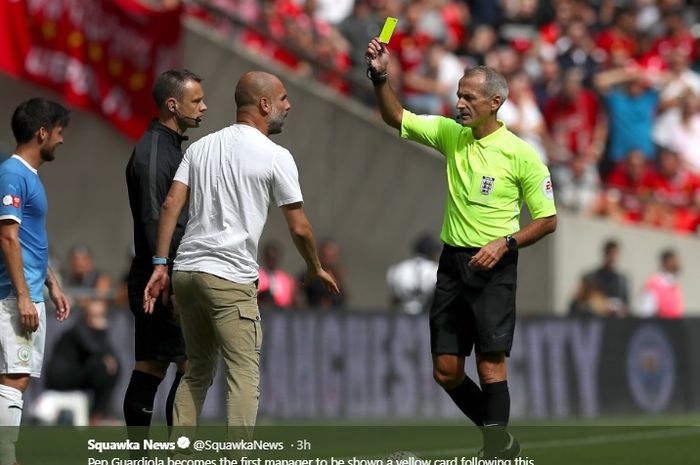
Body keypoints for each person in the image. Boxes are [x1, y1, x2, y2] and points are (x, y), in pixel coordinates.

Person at [365, 39, 557, 459]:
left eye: (469, 97)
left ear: (496, 102)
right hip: (453, 263)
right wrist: (381, 75)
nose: (460, 103)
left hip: (495, 265)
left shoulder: (522, 156)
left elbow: (548, 220)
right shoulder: (453, 135)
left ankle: (494, 452)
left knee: (490, 365)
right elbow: (394, 115)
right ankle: (501, 441)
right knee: (446, 370)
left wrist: (506, 242)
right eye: (458, 95)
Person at [144, 71, 339, 447]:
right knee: (244, 373)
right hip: (229, 277)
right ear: (264, 105)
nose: (288, 106)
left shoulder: (200, 147)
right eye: (283, 98)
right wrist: (315, 266)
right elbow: (299, 227)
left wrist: (159, 263)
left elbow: (170, 204)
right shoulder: (275, 155)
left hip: (186, 271)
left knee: (197, 371)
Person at [123, 69, 207, 436]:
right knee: (189, 365)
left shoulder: (170, 147)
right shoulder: (155, 153)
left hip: (161, 274)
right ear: (173, 105)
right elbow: (154, 220)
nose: (204, 107)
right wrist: (168, 274)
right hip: (162, 278)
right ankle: (175, 451)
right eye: (197, 101)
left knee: (154, 367)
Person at [0, 98, 72, 465]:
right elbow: (8, 237)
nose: (61, 140)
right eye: (60, 132)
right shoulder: (12, 174)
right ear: (42, 132)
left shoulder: (29, 177)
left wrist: (52, 283)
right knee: (15, 377)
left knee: (15, 376)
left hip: (26, 291)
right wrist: (24, 297)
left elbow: (29, 239)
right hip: (13, 297)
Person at [45, 298, 120, 424]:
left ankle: (101, 413)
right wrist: (101, 332)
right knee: (102, 370)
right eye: (95, 315)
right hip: (61, 378)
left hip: (76, 375)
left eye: (101, 315)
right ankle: (97, 415)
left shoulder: (93, 331)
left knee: (112, 369)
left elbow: (110, 356)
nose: (99, 319)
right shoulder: (78, 329)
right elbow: (95, 351)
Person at [386, 233, 440, 315]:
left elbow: (393, 302)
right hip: (427, 319)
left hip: (402, 318)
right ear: (431, 252)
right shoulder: (436, 270)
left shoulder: (396, 269)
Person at [582, 239, 629, 316]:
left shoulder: (621, 280)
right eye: (610, 253)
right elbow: (585, 302)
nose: (613, 257)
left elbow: (626, 305)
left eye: (615, 254)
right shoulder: (592, 278)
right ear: (605, 254)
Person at [636, 249, 684, 319]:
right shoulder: (654, 283)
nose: (678, 264)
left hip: (673, 327)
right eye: (675, 261)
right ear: (667, 262)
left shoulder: (674, 284)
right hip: (659, 327)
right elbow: (645, 312)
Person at [258, 241, 297, 309]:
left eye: (273, 257)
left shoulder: (286, 279)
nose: (271, 260)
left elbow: (291, 301)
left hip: (282, 313)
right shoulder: (257, 276)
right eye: (269, 257)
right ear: (264, 257)